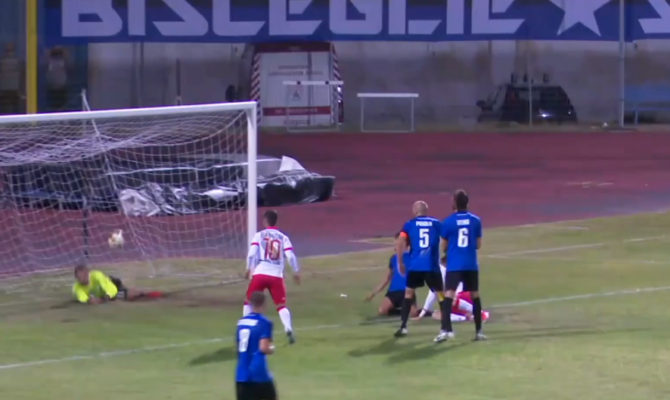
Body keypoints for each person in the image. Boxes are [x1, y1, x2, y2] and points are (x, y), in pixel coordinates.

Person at [394, 201, 452, 343]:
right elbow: (448, 237)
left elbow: (400, 241)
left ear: (415, 211)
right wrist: (447, 254)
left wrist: (400, 262)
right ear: (426, 210)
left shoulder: (409, 224)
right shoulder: (436, 223)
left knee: (408, 294)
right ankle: (445, 329)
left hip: (415, 266)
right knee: (440, 296)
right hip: (431, 266)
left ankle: (403, 327)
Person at [245, 210, 300, 344]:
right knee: (281, 306)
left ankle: (246, 330)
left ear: (265, 221)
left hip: (260, 273)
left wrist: (248, 268)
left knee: (248, 301)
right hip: (276, 276)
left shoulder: (259, 235)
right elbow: (291, 257)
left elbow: (251, 254)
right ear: (276, 221)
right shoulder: (283, 237)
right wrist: (296, 272)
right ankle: (288, 329)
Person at [440, 189, 486, 341]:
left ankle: (447, 330)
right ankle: (479, 331)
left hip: (455, 264)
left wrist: (451, 250)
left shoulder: (448, 222)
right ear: (467, 203)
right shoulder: (476, 220)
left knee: (449, 295)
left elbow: (444, 246)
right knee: (475, 295)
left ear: (454, 203)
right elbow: (478, 245)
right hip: (471, 264)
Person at [236, 291, 277, 400]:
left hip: (241, 374)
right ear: (264, 304)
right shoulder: (264, 322)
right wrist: (271, 349)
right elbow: (263, 347)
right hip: (258, 373)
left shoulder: (241, 322)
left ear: (250, 303)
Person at [365, 232, 417, 317]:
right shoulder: (393, 259)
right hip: (393, 292)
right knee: (382, 311)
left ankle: (418, 311)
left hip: (407, 291)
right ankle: (402, 312)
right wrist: (373, 293)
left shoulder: (412, 257)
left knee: (413, 313)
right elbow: (387, 278)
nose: (396, 246)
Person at [72, 264, 160, 304]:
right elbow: (83, 298)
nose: (82, 280)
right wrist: (90, 301)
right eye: (79, 278)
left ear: (88, 273)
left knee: (131, 295)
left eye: (84, 276)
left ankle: (155, 294)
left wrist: (103, 299)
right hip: (104, 295)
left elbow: (112, 289)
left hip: (113, 284)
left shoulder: (97, 275)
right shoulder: (77, 287)